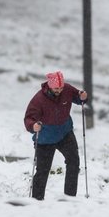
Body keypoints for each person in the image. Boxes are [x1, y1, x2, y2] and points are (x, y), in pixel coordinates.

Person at [23, 70, 88, 200]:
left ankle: (69, 197)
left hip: (65, 133)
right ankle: (37, 200)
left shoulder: (67, 89)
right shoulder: (39, 99)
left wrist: (83, 96)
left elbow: (78, 97)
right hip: (45, 138)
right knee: (43, 171)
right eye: (56, 88)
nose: (59, 90)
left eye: (61, 87)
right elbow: (28, 119)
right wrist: (33, 126)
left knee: (74, 162)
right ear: (50, 86)